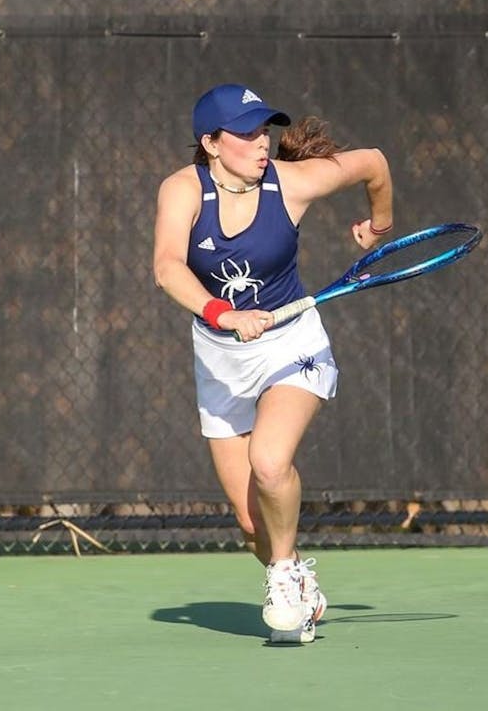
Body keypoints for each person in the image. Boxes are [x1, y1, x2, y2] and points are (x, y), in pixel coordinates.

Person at [152, 83, 393, 643]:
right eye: (246, 134)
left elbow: (374, 164)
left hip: (292, 345)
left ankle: (284, 575)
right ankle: (295, 575)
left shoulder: (293, 183)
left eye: (264, 131)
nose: (262, 144)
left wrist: (379, 225)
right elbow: (167, 267)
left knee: (269, 462)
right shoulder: (183, 191)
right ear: (211, 143)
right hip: (219, 361)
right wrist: (221, 313)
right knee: (250, 522)